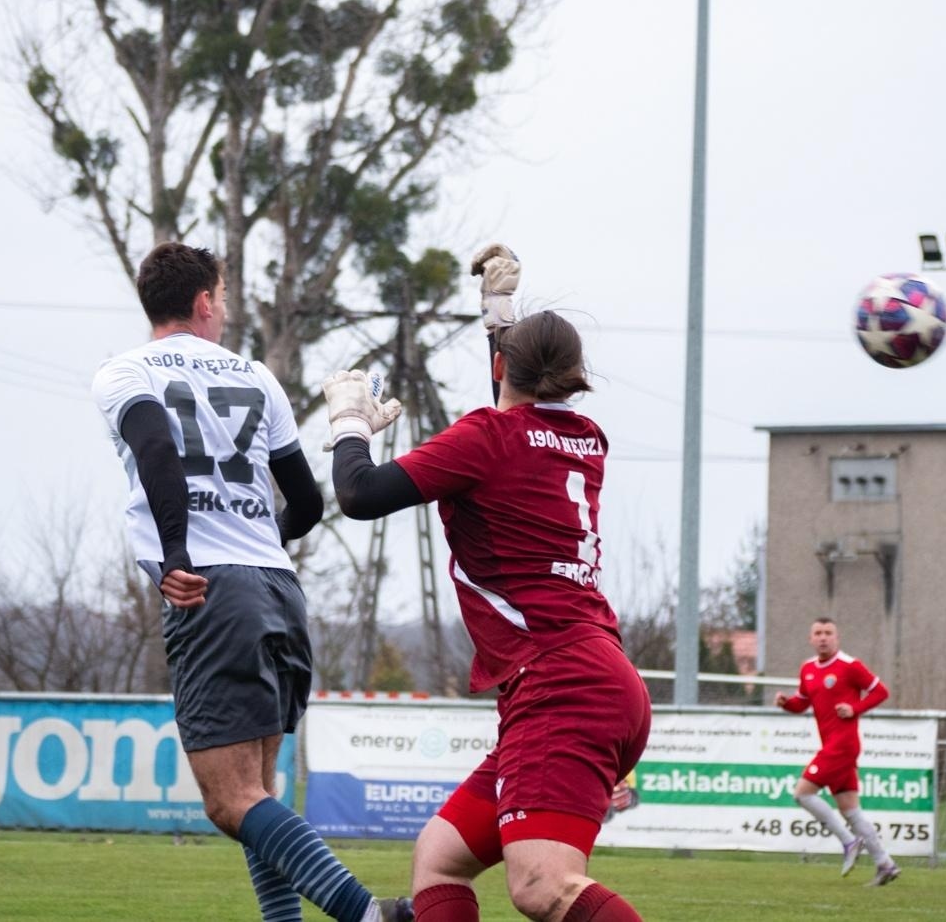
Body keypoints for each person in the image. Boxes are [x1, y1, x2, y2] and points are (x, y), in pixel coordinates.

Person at [323, 244, 651, 922]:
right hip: (597, 674)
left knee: (542, 885)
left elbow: (356, 492)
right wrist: (499, 317)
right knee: (439, 857)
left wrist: (350, 420)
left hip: (559, 682)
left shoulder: (489, 439)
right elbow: (514, 414)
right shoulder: (586, 437)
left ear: (505, 366)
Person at [92, 242, 411, 922]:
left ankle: (366, 914)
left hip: (210, 591)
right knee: (258, 790)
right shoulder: (258, 377)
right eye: (225, 296)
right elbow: (305, 501)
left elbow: (155, 451)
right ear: (205, 301)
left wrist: (178, 551)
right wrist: (256, 539)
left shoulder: (124, 372)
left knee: (228, 800)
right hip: (276, 587)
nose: (226, 307)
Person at [774, 617, 899, 887]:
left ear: (837, 638)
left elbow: (881, 691)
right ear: (811, 639)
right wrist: (786, 703)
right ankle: (885, 864)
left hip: (842, 745)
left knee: (802, 793)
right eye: (818, 633)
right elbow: (802, 702)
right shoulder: (808, 668)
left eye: (828, 633)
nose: (823, 638)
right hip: (831, 744)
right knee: (850, 810)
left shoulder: (849, 666)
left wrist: (855, 708)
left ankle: (849, 842)